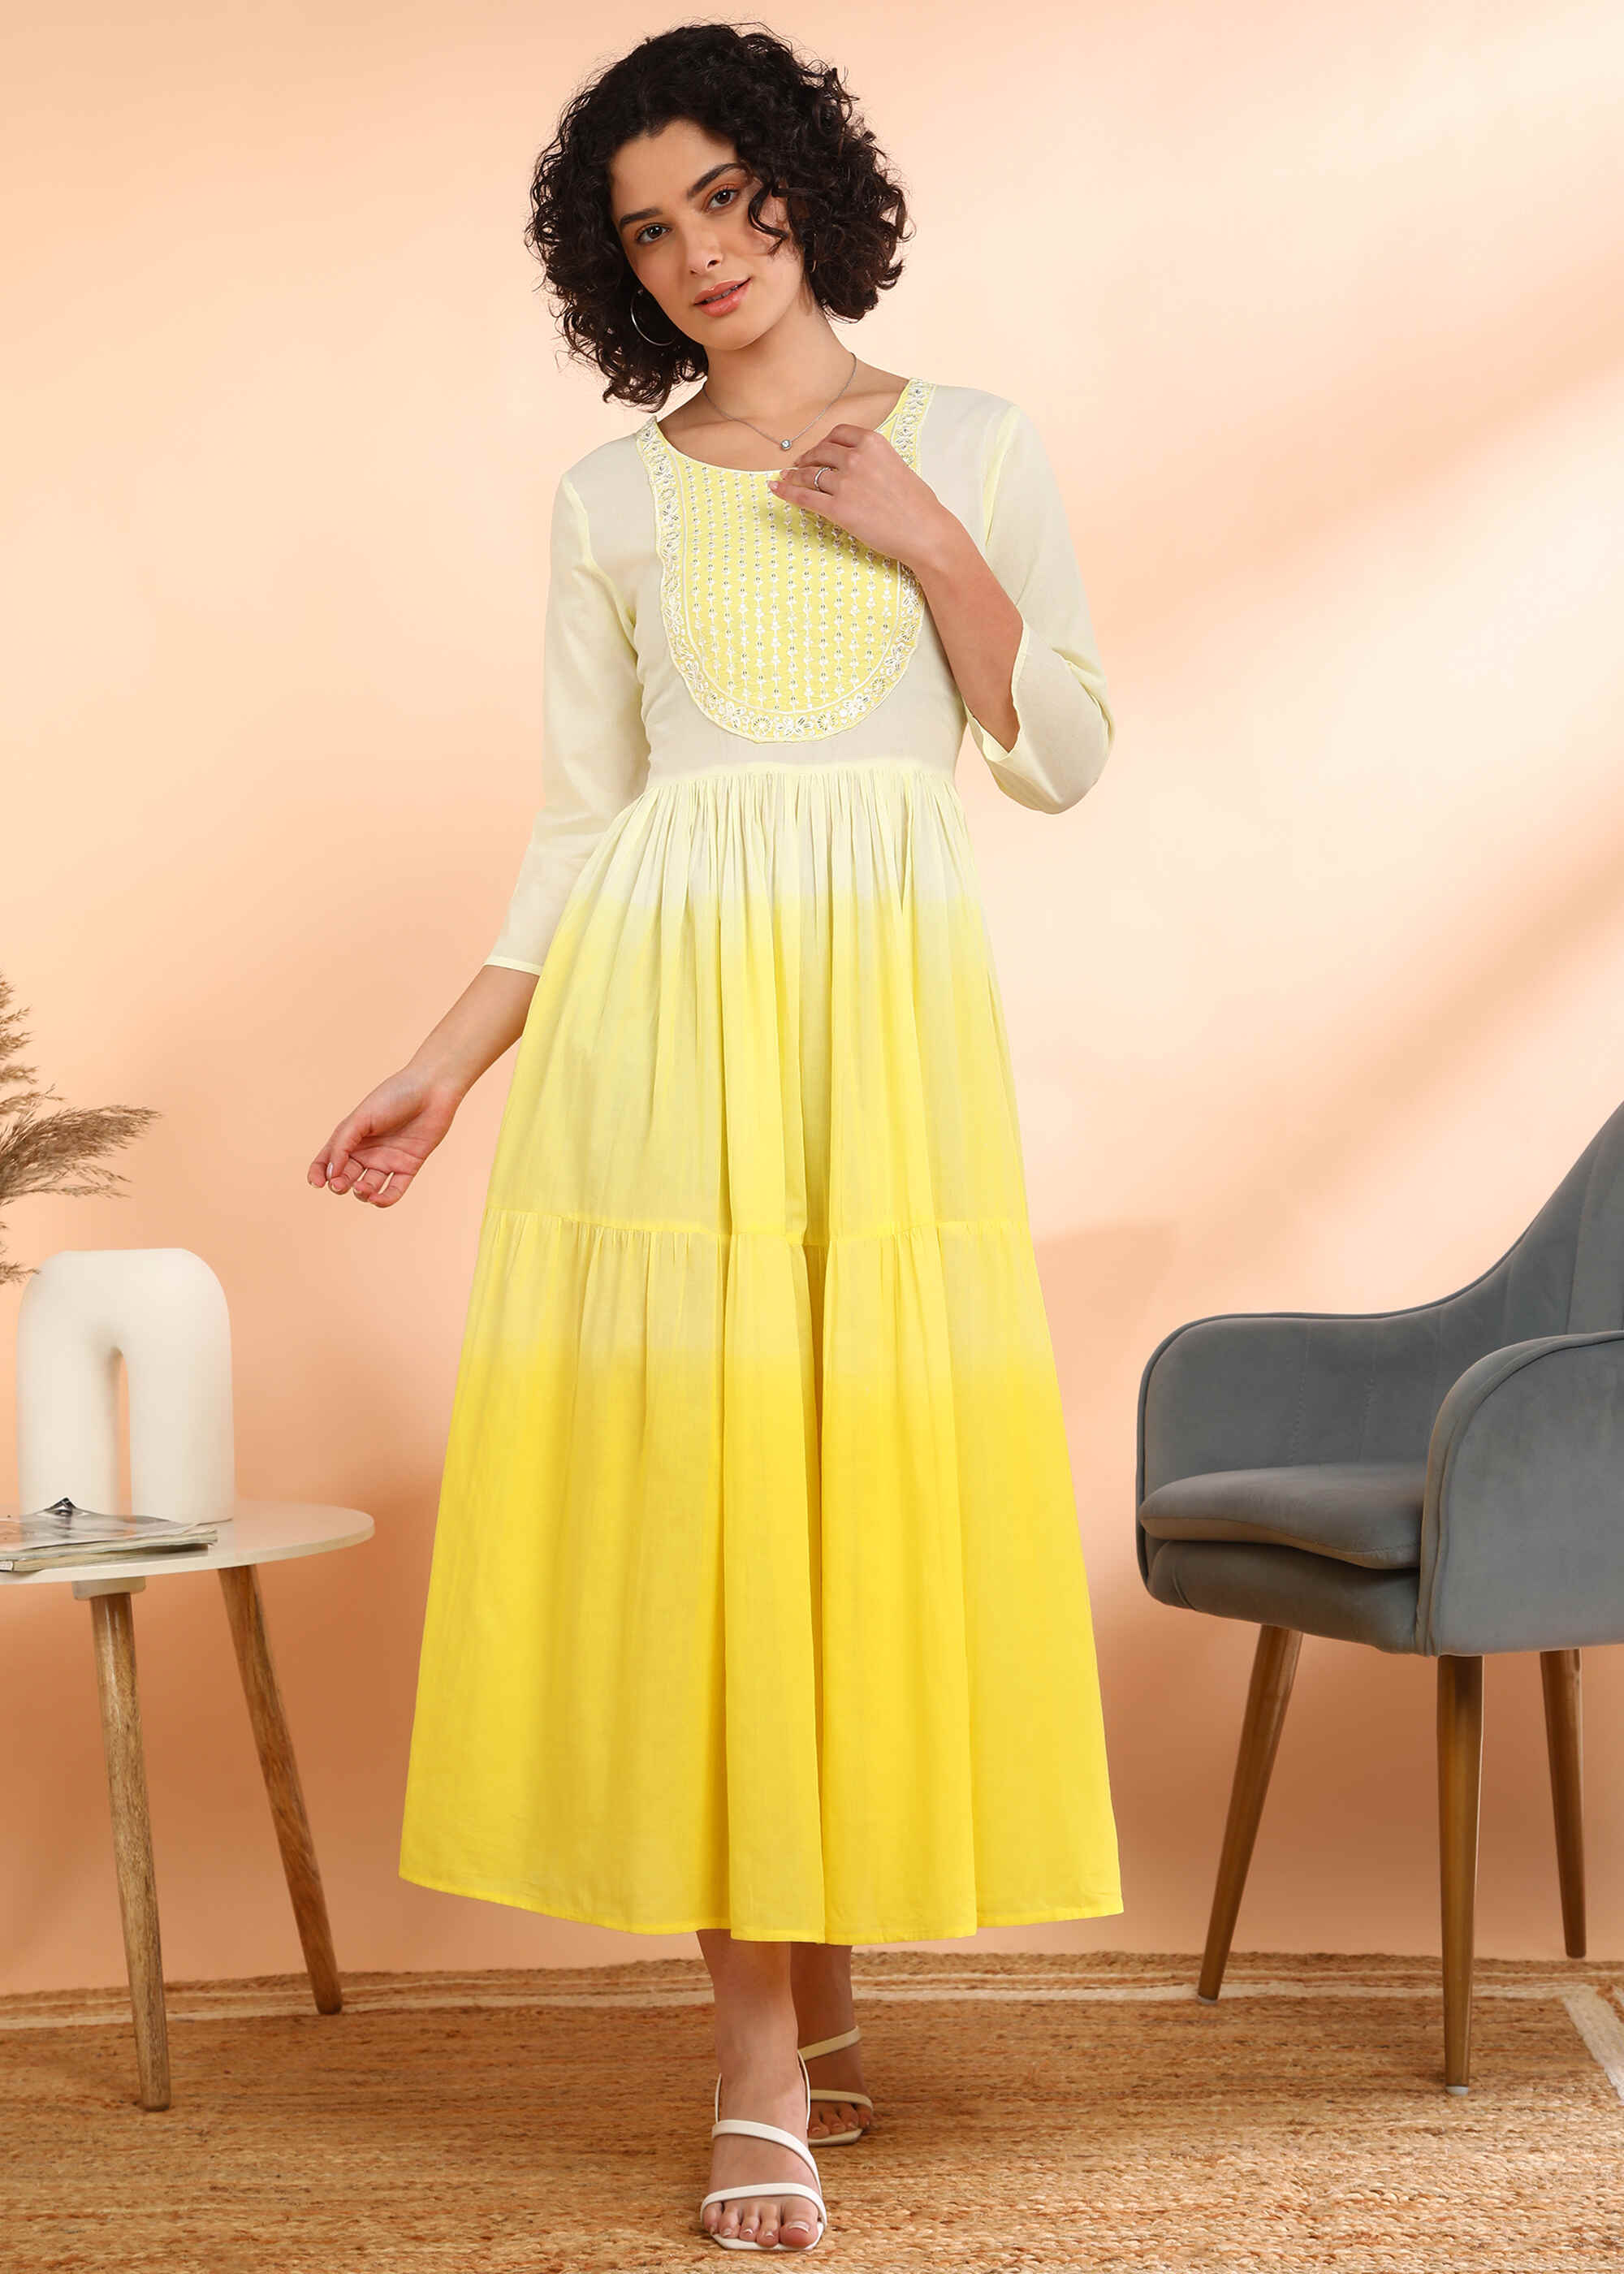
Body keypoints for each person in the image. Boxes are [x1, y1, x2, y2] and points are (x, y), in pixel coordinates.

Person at [309, 21, 1122, 2254]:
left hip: (882, 1031)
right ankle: (757, 2061)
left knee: (842, 1491)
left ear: (804, 191)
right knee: (710, 1508)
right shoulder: (609, 501)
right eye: (649, 230)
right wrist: (447, 1061)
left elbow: (1059, 755)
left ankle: (826, 2001)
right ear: (619, 268)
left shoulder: (974, 441)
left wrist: (933, 540)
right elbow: (585, 828)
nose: (699, 254)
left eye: (729, 201)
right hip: (663, 1037)